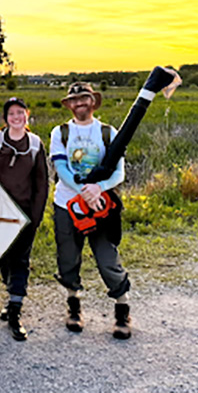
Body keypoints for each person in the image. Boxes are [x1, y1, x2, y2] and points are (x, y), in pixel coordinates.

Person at [49, 82, 132, 339]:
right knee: (68, 259)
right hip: (67, 205)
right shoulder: (60, 133)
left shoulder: (108, 133)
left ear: (93, 101)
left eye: (84, 98)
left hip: (101, 207)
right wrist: (85, 189)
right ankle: (74, 308)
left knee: (108, 260)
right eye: (74, 100)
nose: (79, 103)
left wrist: (100, 188)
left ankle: (122, 311)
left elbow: (119, 172)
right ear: (69, 105)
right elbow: (61, 170)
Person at [0, 97, 49, 341]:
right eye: (12, 114)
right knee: (4, 260)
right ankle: (12, 296)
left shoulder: (36, 144)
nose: (16, 117)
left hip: (25, 215)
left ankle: (15, 311)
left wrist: (36, 216)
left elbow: (42, 183)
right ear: (5, 118)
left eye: (21, 112)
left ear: (27, 115)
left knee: (20, 260)